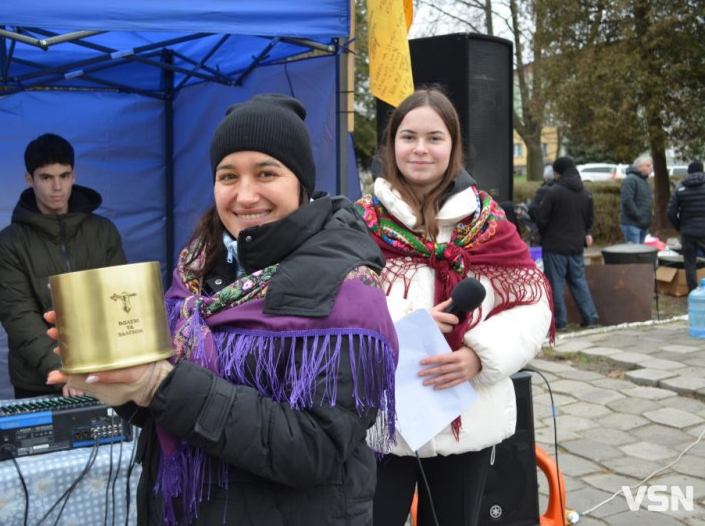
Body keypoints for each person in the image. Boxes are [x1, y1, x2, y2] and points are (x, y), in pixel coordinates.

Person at [48, 94, 398, 525]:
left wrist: (161, 385)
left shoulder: (348, 290)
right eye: (227, 176)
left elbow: (314, 451)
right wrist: (122, 382)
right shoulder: (197, 271)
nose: (244, 195)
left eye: (266, 173)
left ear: (301, 184)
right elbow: (173, 409)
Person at [354, 88, 552, 526]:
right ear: (391, 146)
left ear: (453, 146)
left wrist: (479, 356)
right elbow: (334, 306)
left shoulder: (490, 223)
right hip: (382, 422)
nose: (420, 149)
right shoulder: (357, 224)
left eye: (434, 137)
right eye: (408, 137)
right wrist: (406, 324)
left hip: (469, 418)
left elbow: (534, 305)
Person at [0, 133, 127, 399]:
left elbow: (118, 299)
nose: (57, 187)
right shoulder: (9, 243)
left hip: (103, 373)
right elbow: (19, 316)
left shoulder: (103, 231)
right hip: (39, 380)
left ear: (74, 175)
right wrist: (61, 369)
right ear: (29, 180)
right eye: (46, 177)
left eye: (64, 176)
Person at [535, 157, 600, 331]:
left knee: (556, 284)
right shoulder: (585, 192)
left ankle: (559, 321)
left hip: (555, 246)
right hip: (576, 246)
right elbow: (589, 220)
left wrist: (543, 233)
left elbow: (542, 219)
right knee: (579, 281)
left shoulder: (553, 192)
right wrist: (585, 234)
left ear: (558, 173)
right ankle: (590, 317)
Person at [667, 160, 705, 292]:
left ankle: (693, 291)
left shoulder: (680, 187)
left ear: (688, 172)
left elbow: (671, 212)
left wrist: (680, 227)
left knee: (690, 263)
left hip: (687, 232)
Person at [620, 155, 653, 243]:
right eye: (648, 165)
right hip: (632, 223)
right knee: (634, 254)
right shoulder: (630, 179)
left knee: (640, 253)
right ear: (639, 167)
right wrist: (638, 216)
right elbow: (627, 200)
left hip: (643, 224)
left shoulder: (645, 181)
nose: (651, 167)